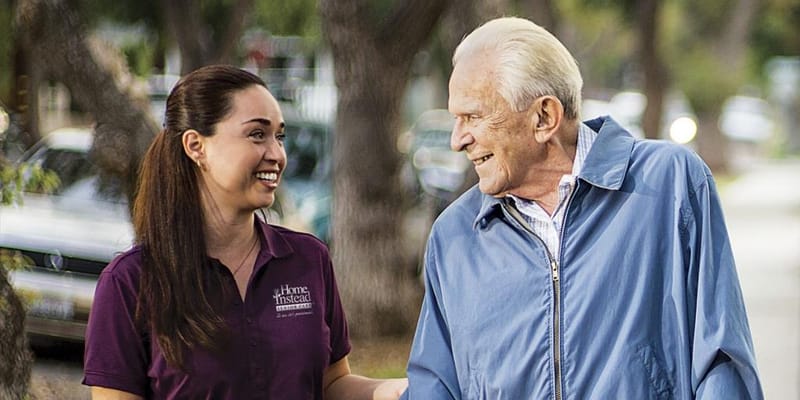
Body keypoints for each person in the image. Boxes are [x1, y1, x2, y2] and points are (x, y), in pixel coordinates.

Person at [401, 17, 764, 399]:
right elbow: (435, 387)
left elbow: (723, 363)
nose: (458, 140)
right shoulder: (454, 236)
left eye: (472, 117)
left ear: (544, 117)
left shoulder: (670, 184)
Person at [82, 65, 407, 399]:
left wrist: (393, 390)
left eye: (279, 136)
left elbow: (332, 383)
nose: (277, 154)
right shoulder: (130, 284)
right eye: (257, 134)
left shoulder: (309, 259)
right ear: (196, 146)